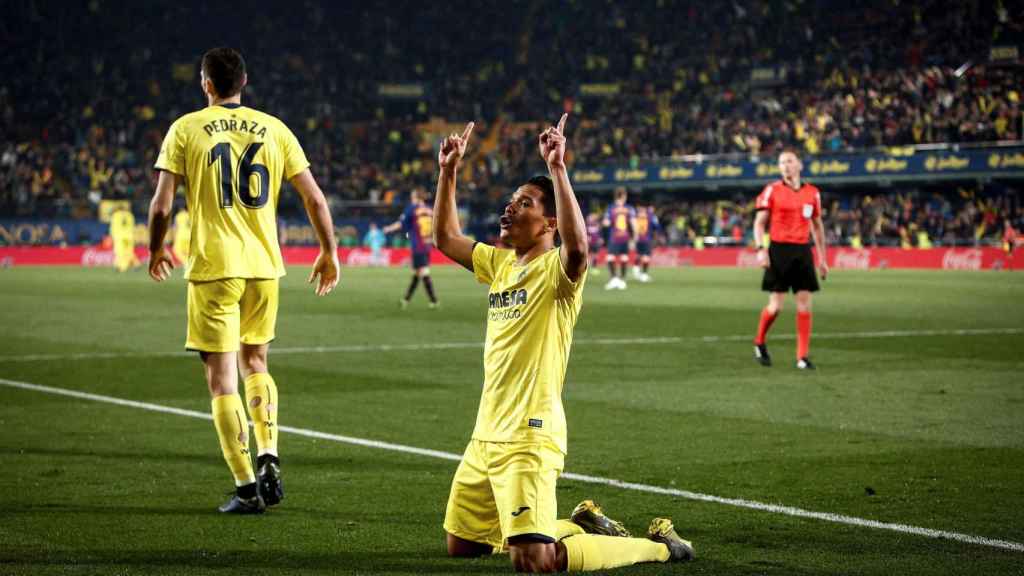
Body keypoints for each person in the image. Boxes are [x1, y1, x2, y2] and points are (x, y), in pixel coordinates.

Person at [433, 116, 694, 573]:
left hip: (529, 435)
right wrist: (448, 171)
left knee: (534, 561)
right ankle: (579, 524)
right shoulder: (499, 264)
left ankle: (658, 547)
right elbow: (445, 238)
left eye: (525, 203)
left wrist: (557, 168)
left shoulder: (558, 271)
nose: (510, 208)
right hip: (486, 432)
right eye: (511, 201)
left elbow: (579, 250)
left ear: (549, 222)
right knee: (463, 545)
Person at [147, 47, 340, 514]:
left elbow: (161, 205)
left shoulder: (185, 129)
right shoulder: (276, 129)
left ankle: (246, 486)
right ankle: (269, 452)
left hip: (215, 267)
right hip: (264, 267)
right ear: (244, 81)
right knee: (256, 361)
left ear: (205, 84)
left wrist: (155, 248)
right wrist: (328, 251)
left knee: (221, 379)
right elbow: (314, 199)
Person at [752, 150, 828, 370]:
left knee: (804, 304)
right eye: (781, 163)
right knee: (775, 307)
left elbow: (817, 226)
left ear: (799, 165)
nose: (785, 166)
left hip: (803, 251)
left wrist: (822, 258)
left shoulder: (812, 193)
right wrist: (760, 249)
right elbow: (759, 223)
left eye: (789, 161)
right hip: (779, 251)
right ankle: (759, 341)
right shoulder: (772, 191)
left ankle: (802, 357)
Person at [384, 189, 438, 309]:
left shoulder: (412, 208)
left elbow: (401, 223)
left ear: (414, 197)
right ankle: (406, 300)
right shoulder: (430, 210)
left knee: (423, 272)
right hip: (428, 245)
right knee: (417, 274)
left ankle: (434, 300)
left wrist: (388, 229)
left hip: (418, 246)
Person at [602, 187, 635, 290]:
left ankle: (613, 279)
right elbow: (633, 224)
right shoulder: (629, 208)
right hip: (625, 237)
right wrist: (633, 238)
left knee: (610, 257)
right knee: (624, 257)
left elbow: (605, 223)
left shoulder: (611, 208)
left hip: (614, 237)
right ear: (624, 196)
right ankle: (622, 280)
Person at [631, 203, 660, 282]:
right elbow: (657, 227)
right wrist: (656, 238)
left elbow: (631, 227)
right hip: (646, 239)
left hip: (638, 239)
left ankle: (636, 269)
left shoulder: (635, 217)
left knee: (639, 255)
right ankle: (643, 275)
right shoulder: (651, 217)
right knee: (646, 257)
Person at [110, 207, 139, 272]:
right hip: (130, 236)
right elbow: (133, 225)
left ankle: (122, 267)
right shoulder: (130, 215)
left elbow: (113, 227)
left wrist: (112, 235)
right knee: (128, 251)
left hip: (120, 237)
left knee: (120, 252)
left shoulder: (115, 215)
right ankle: (136, 264)